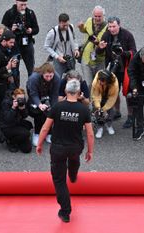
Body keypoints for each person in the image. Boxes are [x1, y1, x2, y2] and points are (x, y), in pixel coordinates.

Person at [36, 79, 94, 223]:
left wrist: (39, 143)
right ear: (79, 93)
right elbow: (90, 133)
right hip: (75, 147)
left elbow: (45, 127)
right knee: (74, 159)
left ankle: (65, 211)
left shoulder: (57, 107)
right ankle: (73, 175)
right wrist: (90, 151)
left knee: (59, 180)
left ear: (66, 91)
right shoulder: (84, 109)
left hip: (58, 148)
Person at [97, 16, 137, 127]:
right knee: (113, 91)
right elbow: (99, 53)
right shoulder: (106, 35)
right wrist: (100, 48)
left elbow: (134, 52)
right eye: (109, 26)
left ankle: (130, 116)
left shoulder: (127, 35)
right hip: (112, 67)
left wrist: (123, 52)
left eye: (114, 26)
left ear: (119, 25)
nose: (112, 29)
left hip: (126, 68)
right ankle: (117, 112)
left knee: (128, 93)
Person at [2, 0, 39, 77]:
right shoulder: (9, 13)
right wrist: (10, 29)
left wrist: (31, 30)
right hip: (14, 44)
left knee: (31, 68)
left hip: (27, 43)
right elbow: (2, 29)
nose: (23, 7)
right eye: (21, 5)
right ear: (16, 2)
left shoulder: (30, 13)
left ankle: (31, 86)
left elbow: (36, 29)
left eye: (25, 5)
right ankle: (15, 88)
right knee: (14, 69)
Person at [26, 62, 60, 146]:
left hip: (48, 94)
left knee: (50, 112)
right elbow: (33, 94)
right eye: (46, 76)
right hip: (36, 94)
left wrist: (53, 107)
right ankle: (37, 132)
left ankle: (49, 132)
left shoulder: (56, 77)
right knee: (38, 112)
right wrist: (39, 104)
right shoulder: (34, 78)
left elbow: (55, 94)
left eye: (50, 76)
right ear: (42, 74)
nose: (49, 78)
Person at [77, 5, 108, 86]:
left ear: (103, 16)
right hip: (86, 58)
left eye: (99, 16)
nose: (97, 18)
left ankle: (97, 98)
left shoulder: (107, 27)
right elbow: (84, 30)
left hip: (99, 60)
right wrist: (81, 27)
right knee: (89, 84)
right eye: (95, 16)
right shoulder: (89, 21)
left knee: (98, 84)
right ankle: (89, 99)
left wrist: (98, 43)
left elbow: (108, 44)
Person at [44, 13, 79, 78]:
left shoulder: (71, 27)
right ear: (59, 23)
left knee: (72, 79)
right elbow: (46, 47)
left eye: (67, 25)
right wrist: (57, 56)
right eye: (63, 25)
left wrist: (76, 49)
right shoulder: (52, 32)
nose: (66, 27)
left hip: (70, 59)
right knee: (58, 80)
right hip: (59, 60)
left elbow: (74, 39)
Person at [0, 88, 32, 153]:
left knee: (27, 149)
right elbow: (7, 119)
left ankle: (18, 139)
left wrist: (22, 109)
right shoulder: (6, 102)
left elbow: (25, 116)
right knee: (26, 133)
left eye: (22, 98)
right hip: (7, 126)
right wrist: (13, 108)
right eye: (19, 98)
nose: (21, 100)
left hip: (17, 123)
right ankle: (10, 141)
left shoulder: (22, 101)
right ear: (14, 96)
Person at [91, 69, 118, 139]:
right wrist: (99, 107)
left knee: (111, 110)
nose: (100, 82)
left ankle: (109, 124)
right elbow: (95, 96)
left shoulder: (114, 84)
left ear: (108, 81)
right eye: (100, 80)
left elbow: (112, 99)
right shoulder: (96, 81)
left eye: (102, 81)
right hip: (99, 93)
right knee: (97, 109)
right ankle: (100, 127)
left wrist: (105, 109)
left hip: (109, 95)